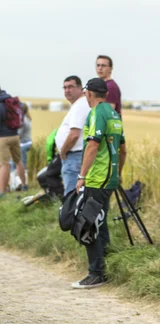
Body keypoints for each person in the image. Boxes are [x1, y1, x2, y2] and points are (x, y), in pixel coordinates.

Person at [72, 77, 126, 289]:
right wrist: (118, 173)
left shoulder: (96, 113)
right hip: (110, 178)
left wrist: (82, 175)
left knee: (89, 224)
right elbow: (123, 149)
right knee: (101, 223)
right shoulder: (115, 115)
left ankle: (96, 273)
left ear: (89, 93)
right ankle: (105, 267)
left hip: (96, 178)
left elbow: (93, 145)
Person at [0, 82, 27, 194]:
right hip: (15, 135)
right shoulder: (10, 101)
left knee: (4, 164)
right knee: (18, 161)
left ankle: (2, 191)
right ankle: (24, 185)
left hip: (3, 138)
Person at [55, 76, 90, 196]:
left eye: (71, 87)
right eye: (64, 87)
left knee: (71, 196)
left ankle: (70, 215)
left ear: (80, 88)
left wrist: (63, 151)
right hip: (76, 156)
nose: (67, 90)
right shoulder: (79, 104)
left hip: (74, 156)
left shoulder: (80, 106)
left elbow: (74, 135)